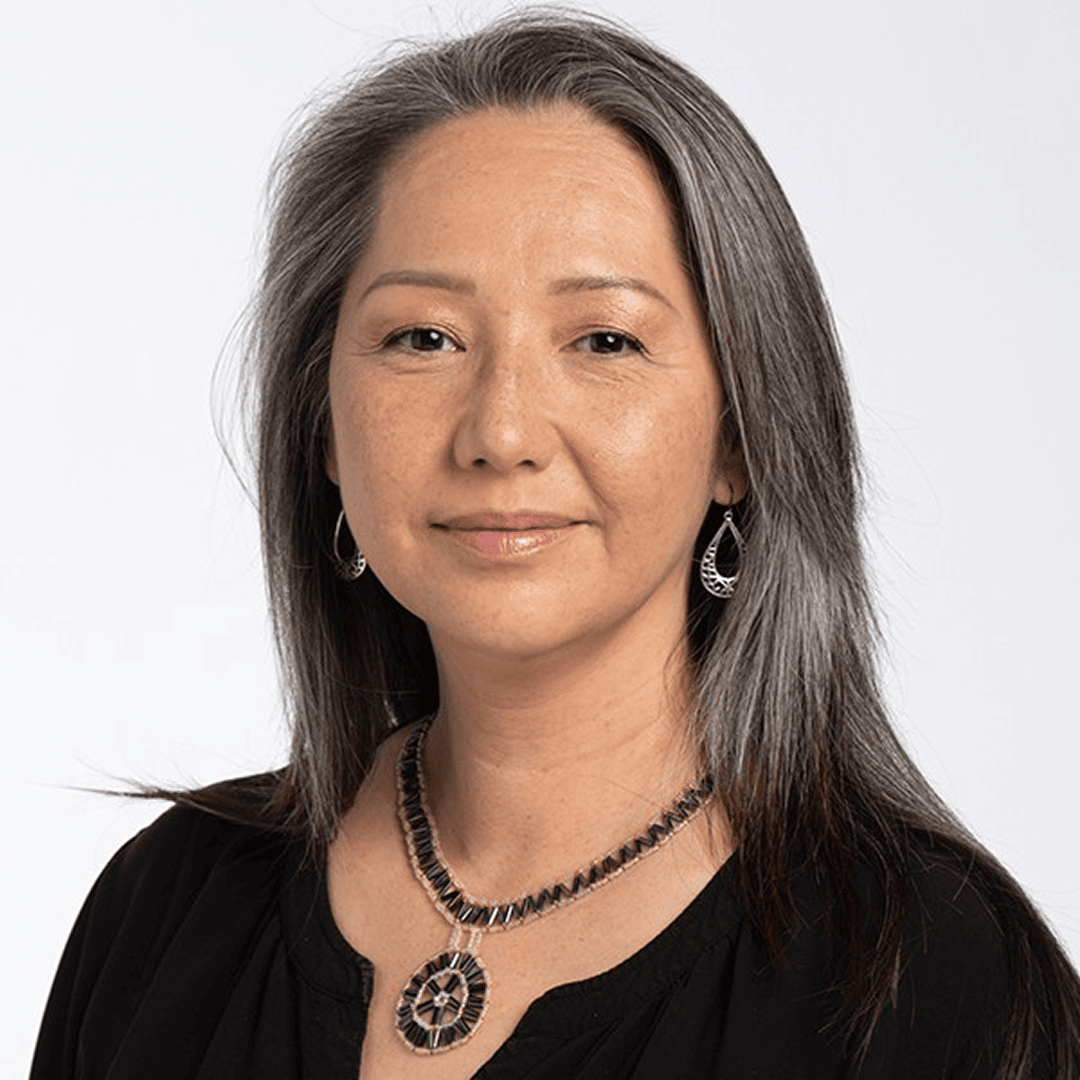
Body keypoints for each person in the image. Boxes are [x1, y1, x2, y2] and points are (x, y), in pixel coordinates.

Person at [30, 9, 1080, 1079]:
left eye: (604, 340)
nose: (502, 432)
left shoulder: (936, 982)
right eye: (424, 338)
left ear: (739, 438)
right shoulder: (165, 911)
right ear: (324, 428)